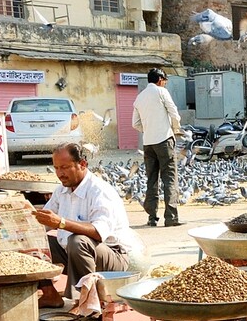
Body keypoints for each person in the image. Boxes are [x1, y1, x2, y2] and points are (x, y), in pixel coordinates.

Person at [33, 143, 142, 308]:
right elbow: (42, 223)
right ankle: (49, 294)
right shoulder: (60, 191)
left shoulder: (100, 191)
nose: (60, 174)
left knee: (78, 241)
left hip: (112, 256)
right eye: (56, 168)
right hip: (73, 254)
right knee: (34, 241)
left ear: (82, 164)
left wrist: (61, 223)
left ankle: (85, 302)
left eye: (65, 167)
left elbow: (98, 233)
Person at [132, 67, 182, 227]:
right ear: (160, 79)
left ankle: (152, 218)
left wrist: (148, 129)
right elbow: (174, 113)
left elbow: (135, 124)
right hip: (164, 139)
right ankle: (171, 218)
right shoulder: (161, 92)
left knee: (151, 180)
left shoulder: (139, 98)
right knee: (169, 178)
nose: (165, 84)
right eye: (165, 81)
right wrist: (176, 129)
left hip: (148, 143)